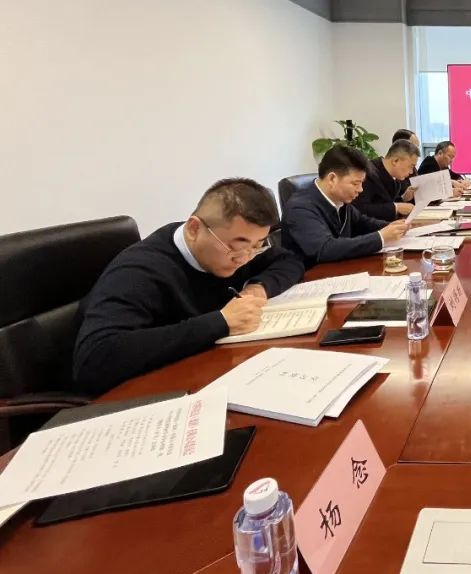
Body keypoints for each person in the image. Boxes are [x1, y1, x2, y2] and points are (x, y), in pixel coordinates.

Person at [72, 178, 305, 395]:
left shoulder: (238, 245)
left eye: (257, 246)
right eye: (236, 247)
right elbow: (94, 360)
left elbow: (289, 260)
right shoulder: (139, 272)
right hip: (140, 393)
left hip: (208, 369)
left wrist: (258, 287)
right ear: (194, 229)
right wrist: (220, 322)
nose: (244, 258)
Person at [281, 145, 409, 268]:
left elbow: (363, 223)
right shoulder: (300, 208)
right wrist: (380, 237)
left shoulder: (340, 200)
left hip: (339, 268)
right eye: (355, 184)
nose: (360, 189)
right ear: (332, 179)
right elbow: (325, 249)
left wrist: (393, 227)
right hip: (311, 276)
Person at [357, 139, 421, 221]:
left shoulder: (394, 177)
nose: (411, 172)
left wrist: (403, 198)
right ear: (395, 161)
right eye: (411, 166)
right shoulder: (368, 174)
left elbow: (386, 201)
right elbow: (360, 209)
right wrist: (396, 208)